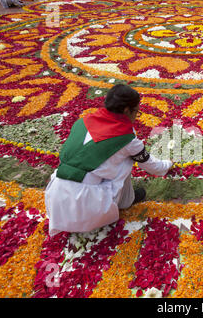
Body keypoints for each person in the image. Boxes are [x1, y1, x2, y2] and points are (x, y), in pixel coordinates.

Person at [45, 84, 173, 236]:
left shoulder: (83, 122)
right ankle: (125, 200)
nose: (135, 116)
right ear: (126, 110)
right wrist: (168, 164)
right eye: (136, 112)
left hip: (55, 199)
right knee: (127, 159)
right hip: (87, 207)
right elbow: (150, 165)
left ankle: (123, 198)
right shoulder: (126, 138)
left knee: (112, 160)